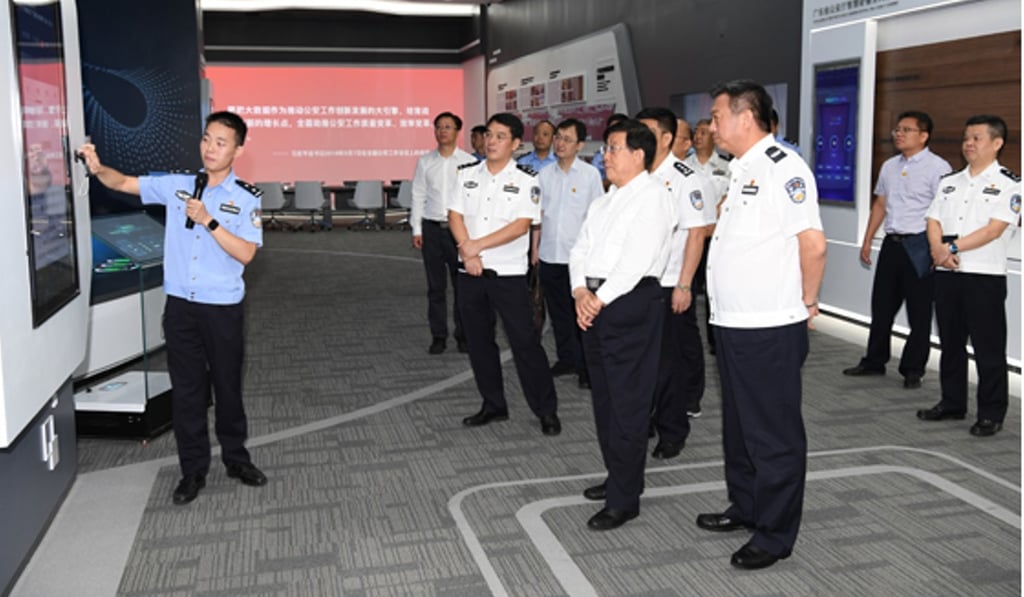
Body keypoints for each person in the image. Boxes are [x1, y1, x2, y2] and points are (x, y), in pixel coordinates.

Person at [77, 111, 267, 505]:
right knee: (187, 392)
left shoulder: (245, 197)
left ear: (238, 149)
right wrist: (97, 169)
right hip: (181, 308)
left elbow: (246, 253)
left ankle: (236, 458)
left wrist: (210, 221)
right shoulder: (179, 184)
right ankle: (192, 470)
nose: (210, 148)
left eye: (221, 142)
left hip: (222, 310)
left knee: (228, 389)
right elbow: (124, 182)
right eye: (207, 139)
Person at [696, 81, 826, 570]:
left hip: (769, 324)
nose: (711, 126)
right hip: (733, 322)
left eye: (716, 116)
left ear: (745, 117)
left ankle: (774, 535)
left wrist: (807, 302)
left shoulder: (783, 168)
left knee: (773, 435)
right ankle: (746, 506)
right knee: (739, 427)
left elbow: (812, 244)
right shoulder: (741, 169)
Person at [569, 119, 676, 531]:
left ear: (638, 154)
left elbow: (635, 261)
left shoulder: (653, 197)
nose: (605, 156)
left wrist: (597, 299)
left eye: (613, 148)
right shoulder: (605, 200)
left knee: (628, 403)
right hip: (596, 302)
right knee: (606, 400)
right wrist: (580, 291)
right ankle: (619, 476)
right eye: (606, 149)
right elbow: (580, 250)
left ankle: (624, 499)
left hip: (628, 303)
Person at [448, 113, 561, 436]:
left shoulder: (527, 179)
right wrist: (466, 251)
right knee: (480, 343)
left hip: (508, 275)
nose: (492, 141)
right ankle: (493, 405)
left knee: (525, 344)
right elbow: (454, 214)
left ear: (514, 143)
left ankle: (546, 409)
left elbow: (521, 225)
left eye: (500, 136)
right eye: (488, 134)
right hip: (470, 272)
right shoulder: (466, 173)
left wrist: (475, 247)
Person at [917, 114, 1019, 437]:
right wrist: (937, 248)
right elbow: (932, 219)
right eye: (966, 138)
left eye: (976, 138)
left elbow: (993, 230)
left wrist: (951, 248)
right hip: (947, 274)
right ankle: (952, 402)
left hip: (983, 277)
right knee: (950, 342)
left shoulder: (1010, 184)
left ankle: (991, 412)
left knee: (988, 347)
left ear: (997, 143)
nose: (968, 144)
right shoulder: (950, 181)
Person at [842, 111, 951, 387]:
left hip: (920, 245)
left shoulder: (938, 168)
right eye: (897, 130)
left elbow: (944, 212)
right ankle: (874, 361)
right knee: (882, 307)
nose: (898, 134)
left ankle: (913, 369)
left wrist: (938, 248)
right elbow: (880, 204)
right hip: (892, 244)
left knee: (919, 312)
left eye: (906, 130)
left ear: (924, 136)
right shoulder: (890, 166)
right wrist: (867, 239)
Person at [636, 107, 711, 458]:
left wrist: (684, 285)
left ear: (666, 138)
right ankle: (647, 417)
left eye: (649, 131)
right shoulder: (633, 172)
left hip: (668, 283)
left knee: (668, 365)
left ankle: (673, 430)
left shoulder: (685, 177)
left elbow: (696, 234)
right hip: (634, 282)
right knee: (640, 361)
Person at [533, 118, 603, 389]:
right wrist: (535, 249)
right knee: (559, 314)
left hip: (578, 259)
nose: (560, 143)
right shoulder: (544, 175)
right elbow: (538, 215)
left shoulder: (589, 175)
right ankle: (567, 359)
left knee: (582, 316)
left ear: (580, 145)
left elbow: (596, 217)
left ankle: (587, 366)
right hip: (550, 254)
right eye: (558, 137)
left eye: (567, 139)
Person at [410, 111, 477, 355]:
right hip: (432, 229)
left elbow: (474, 200)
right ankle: (438, 336)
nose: (442, 131)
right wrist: (416, 228)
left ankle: (463, 336)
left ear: (457, 131)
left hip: (459, 232)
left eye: (447, 127)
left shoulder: (469, 162)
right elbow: (418, 195)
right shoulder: (425, 161)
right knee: (435, 287)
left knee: (463, 287)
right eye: (438, 127)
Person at [685, 118, 732, 358]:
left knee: (715, 290)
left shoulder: (727, 166)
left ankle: (716, 340)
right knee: (688, 288)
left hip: (716, 238)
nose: (698, 136)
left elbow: (730, 198)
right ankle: (686, 333)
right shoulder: (684, 166)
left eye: (704, 132)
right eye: (696, 132)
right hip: (691, 236)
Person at [591, 112, 630, 184]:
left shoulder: (634, 152)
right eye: (612, 128)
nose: (615, 132)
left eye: (619, 128)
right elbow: (594, 183)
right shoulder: (599, 156)